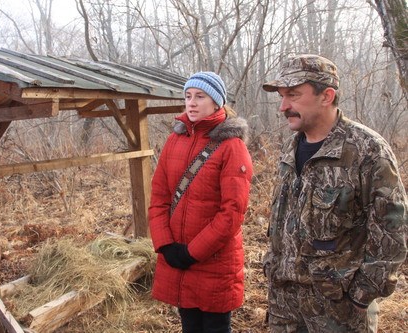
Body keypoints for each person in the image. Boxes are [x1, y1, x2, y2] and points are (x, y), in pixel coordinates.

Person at [262, 54, 407, 333]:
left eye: (293, 95)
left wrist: (361, 296)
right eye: (281, 96)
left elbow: (393, 231)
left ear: (326, 96)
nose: (283, 106)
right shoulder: (289, 149)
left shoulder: (366, 150)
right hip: (284, 306)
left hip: (338, 312)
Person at [149, 71, 253, 333]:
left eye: (200, 96)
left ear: (217, 103)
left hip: (214, 261)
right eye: (188, 96)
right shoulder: (174, 140)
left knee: (215, 328)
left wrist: (191, 252)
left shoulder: (231, 146)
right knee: (190, 327)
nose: (192, 103)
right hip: (178, 257)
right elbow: (159, 197)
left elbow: (232, 213)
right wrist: (166, 245)